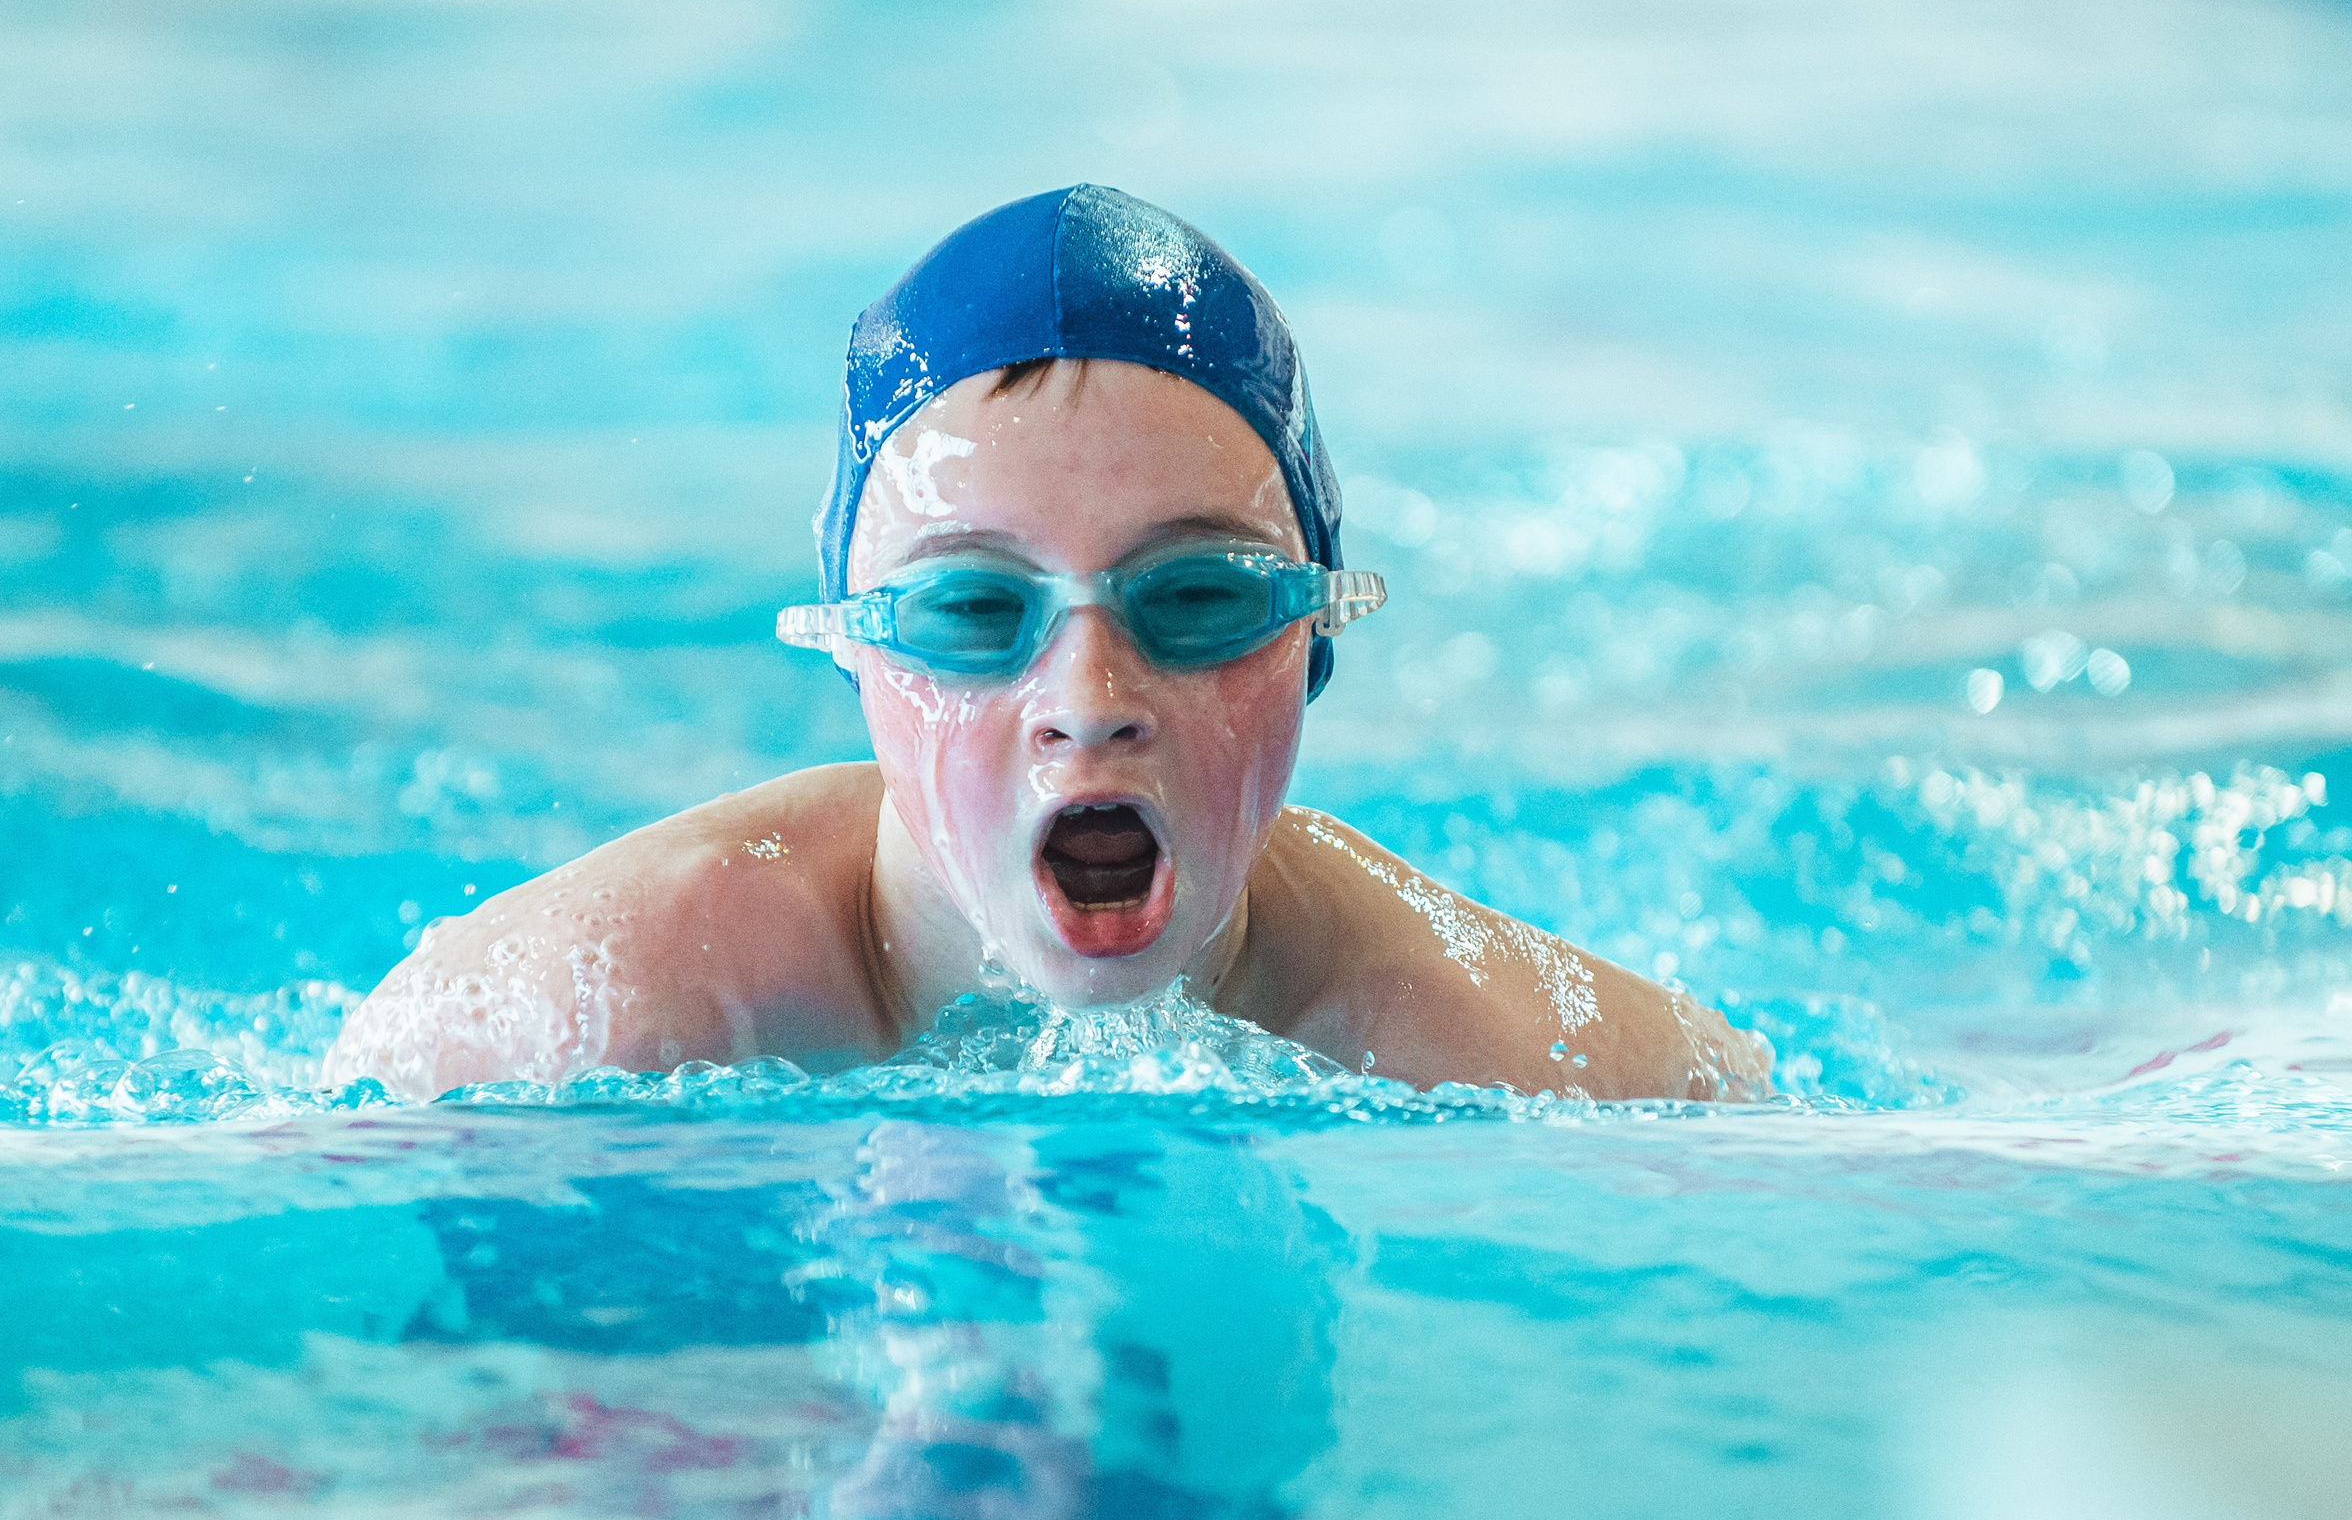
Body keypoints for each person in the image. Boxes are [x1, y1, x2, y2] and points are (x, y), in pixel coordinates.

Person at [325, 185, 1769, 1102]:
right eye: (972, 614)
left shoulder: (1515, 1054)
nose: (1088, 701)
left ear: (1312, 637)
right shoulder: (590, 1012)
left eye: (1197, 600)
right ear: (860, 660)